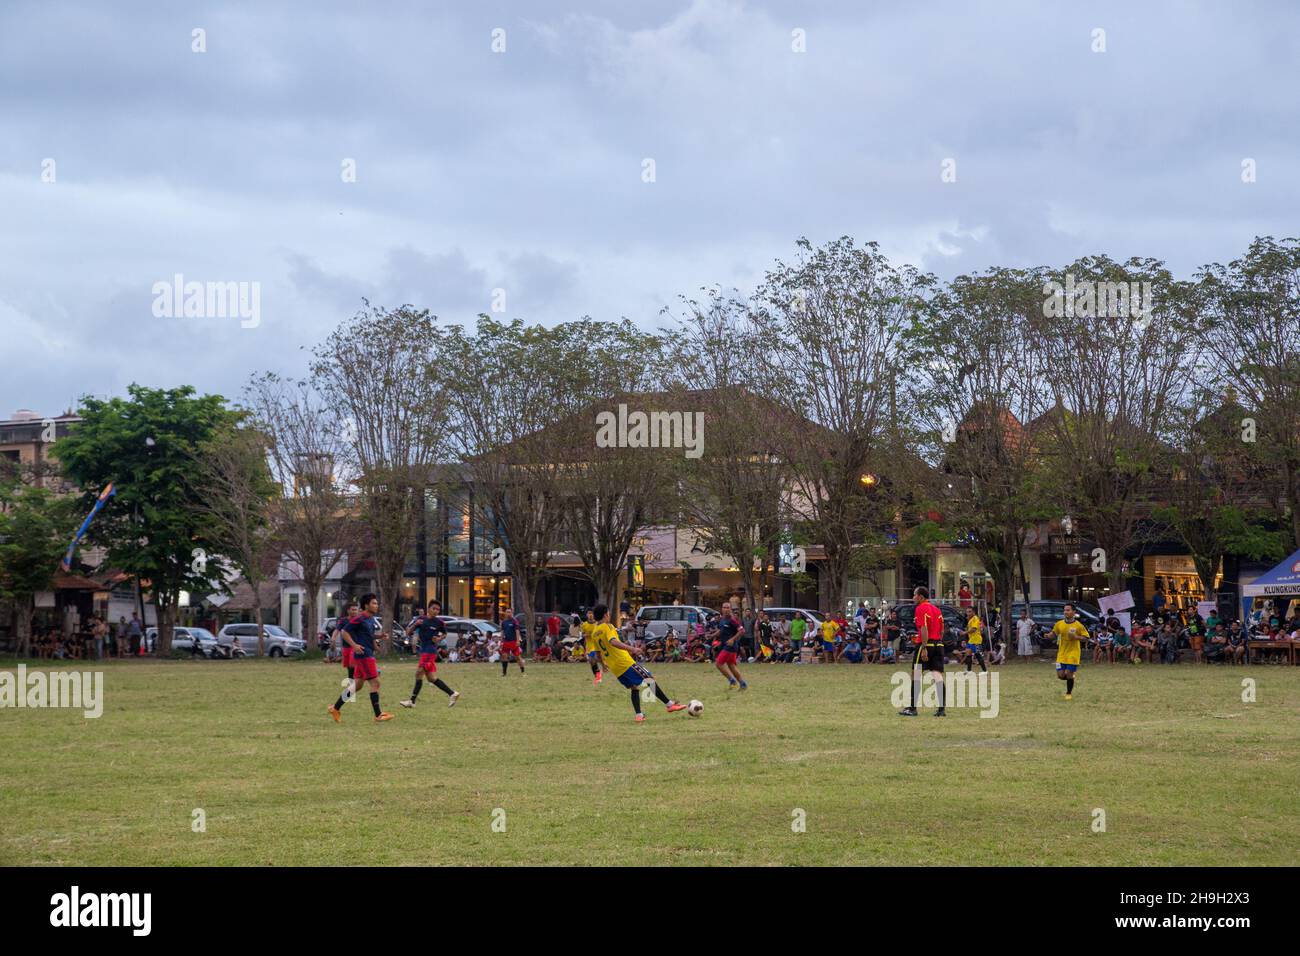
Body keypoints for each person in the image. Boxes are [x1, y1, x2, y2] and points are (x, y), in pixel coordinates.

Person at [587, 604, 687, 722]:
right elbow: (613, 642)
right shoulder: (608, 626)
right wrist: (632, 649)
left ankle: (639, 715)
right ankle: (670, 705)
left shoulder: (594, 633)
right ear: (605, 614)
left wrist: (603, 666)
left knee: (634, 688)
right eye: (608, 613)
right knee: (649, 678)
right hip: (625, 663)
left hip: (615, 668)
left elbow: (598, 654)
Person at [328, 593, 393, 722]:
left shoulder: (370, 619)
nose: (376, 605)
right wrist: (354, 645)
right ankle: (378, 715)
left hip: (367, 653)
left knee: (357, 685)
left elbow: (368, 636)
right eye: (374, 603)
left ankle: (335, 708)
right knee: (375, 683)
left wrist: (380, 638)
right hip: (364, 655)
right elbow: (344, 632)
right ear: (366, 605)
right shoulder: (360, 618)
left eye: (376, 603)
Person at [398, 601, 459, 709]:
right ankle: (452, 693)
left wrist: (439, 638)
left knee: (418, 673)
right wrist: (416, 625)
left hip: (430, 651)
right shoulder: (420, 620)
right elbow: (407, 632)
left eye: (438, 609)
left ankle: (412, 701)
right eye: (434, 608)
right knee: (431, 678)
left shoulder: (439, 622)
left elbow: (445, 633)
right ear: (428, 608)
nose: (436, 611)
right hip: (424, 650)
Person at [899, 586, 946, 717]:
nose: (913, 597)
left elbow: (924, 628)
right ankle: (941, 710)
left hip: (926, 645)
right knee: (937, 676)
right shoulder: (937, 609)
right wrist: (937, 642)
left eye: (914, 595)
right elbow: (942, 629)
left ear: (920, 597)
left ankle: (912, 708)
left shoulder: (920, 608)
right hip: (938, 644)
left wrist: (924, 647)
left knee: (916, 675)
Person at [1052, 604, 1088, 700]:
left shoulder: (1079, 625)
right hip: (1061, 653)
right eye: (1064, 610)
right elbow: (1054, 633)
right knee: (1060, 675)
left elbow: (1086, 638)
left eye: (1068, 610)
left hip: (1073, 653)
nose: (1065, 612)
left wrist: (1076, 637)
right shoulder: (1059, 624)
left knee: (1068, 673)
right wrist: (1048, 635)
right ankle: (1071, 677)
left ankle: (1068, 693)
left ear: (1074, 612)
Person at [713, 601, 747, 690]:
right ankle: (743, 684)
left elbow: (742, 631)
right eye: (724, 607)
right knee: (731, 665)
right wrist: (712, 635)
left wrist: (732, 639)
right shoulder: (722, 619)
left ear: (730, 609)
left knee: (718, 664)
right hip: (725, 645)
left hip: (731, 646)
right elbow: (721, 631)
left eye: (728, 608)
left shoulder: (733, 620)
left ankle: (732, 680)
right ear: (722, 609)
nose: (726, 609)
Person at [498, 606, 526, 677]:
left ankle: (522, 670)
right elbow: (502, 632)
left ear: (512, 612)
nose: (508, 613)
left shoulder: (514, 621)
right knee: (504, 656)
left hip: (513, 642)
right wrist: (501, 641)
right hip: (506, 642)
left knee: (517, 657)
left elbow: (517, 631)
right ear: (505, 613)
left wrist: (518, 641)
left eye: (509, 612)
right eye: (507, 612)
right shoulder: (504, 622)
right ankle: (504, 673)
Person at [581, 609, 604, 686]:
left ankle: (600, 673)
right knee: (591, 662)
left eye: (592, 613)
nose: (590, 615)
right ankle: (598, 676)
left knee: (593, 659)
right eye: (589, 613)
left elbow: (601, 633)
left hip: (596, 645)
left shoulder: (597, 624)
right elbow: (582, 635)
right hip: (589, 646)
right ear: (587, 615)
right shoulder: (584, 625)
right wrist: (587, 635)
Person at [962, 606, 987, 673]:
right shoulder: (971, 619)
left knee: (977, 654)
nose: (968, 613)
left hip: (976, 639)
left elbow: (974, 629)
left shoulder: (975, 618)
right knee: (968, 653)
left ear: (973, 612)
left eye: (970, 611)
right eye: (967, 612)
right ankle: (969, 671)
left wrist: (965, 632)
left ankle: (984, 671)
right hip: (972, 639)